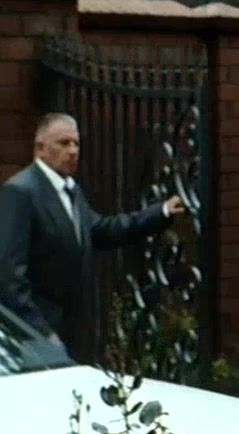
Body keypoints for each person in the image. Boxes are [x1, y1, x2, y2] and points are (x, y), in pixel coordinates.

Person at [0, 113, 186, 365]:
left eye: (76, 143)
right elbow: (10, 274)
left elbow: (100, 230)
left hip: (75, 327)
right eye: (63, 143)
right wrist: (40, 332)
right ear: (41, 148)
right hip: (39, 334)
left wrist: (160, 212)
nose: (73, 151)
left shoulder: (70, 189)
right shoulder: (21, 191)